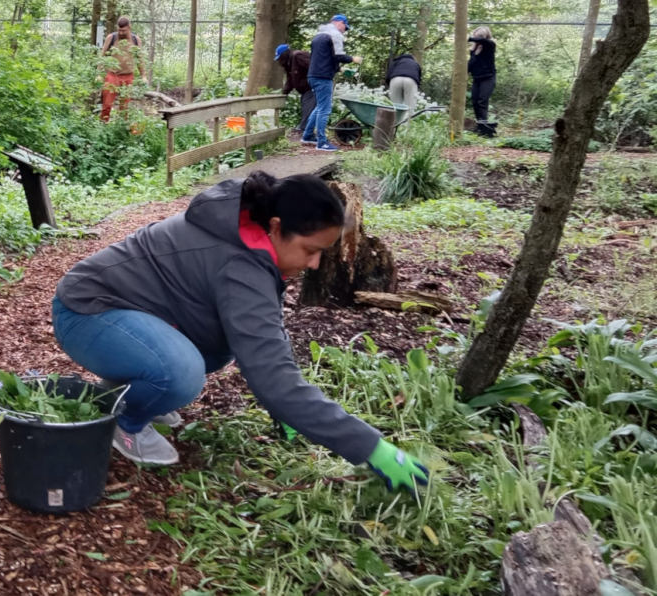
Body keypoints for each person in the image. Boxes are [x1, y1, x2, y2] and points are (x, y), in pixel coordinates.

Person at [51, 171, 431, 497]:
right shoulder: (242, 265)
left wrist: (287, 405)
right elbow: (271, 372)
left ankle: (135, 385)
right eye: (310, 251)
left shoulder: (249, 233)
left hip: (132, 309)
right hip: (86, 311)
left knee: (217, 350)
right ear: (277, 226)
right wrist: (370, 447)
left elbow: (264, 342)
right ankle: (124, 420)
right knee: (180, 373)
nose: (314, 264)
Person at [303, 15, 363, 152]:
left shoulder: (319, 36)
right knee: (324, 109)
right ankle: (322, 143)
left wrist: (339, 69)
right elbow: (339, 55)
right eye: (344, 27)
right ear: (339, 23)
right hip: (323, 77)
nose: (344, 31)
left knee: (319, 107)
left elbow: (324, 58)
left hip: (313, 75)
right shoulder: (334, 35)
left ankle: (307, 136)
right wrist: (353, 59)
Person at [100, 17, 144, 122]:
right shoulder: (111, 38)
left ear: (129, 27)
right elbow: (102, 56)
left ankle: (121, 129)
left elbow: (140, 58)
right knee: (107, 104)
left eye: (123, 30)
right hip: (112, 75)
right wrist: (99, 73)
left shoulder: (135, 40)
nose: (121, 32)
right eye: (119, 30)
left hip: (128, 76)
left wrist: (143, 75)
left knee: (124, 106)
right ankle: (102, 126)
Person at [275, 44, 315, 136]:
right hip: (304, 90)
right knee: (305, 107)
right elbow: (290, 80)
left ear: (284, 54)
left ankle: (305, 131)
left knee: (308, 108)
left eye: (279, 58)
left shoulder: (297, 56)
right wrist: (284, 93)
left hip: (312, 87)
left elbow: (313, 67)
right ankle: (304, 130)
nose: (279, 61)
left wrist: (314, 82)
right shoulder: (288, 63)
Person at [468, 27, 497, 136]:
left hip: (488, 78)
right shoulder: (474, 50)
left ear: (485, 36)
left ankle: (484, 127)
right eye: (476, 36)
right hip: (477, 78)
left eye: (480, 36)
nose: (477, 38)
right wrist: (474, 54)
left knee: (482, 100)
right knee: (475, 101)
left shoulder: (490, 45)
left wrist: (469, 38)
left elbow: (485, 41)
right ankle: (480, 126)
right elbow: (471, 65)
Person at [385, 53, 422, 129]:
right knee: (409, 106)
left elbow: (388, 75)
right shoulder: (415, 63)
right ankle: (406, 129)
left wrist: (389, 85)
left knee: (395, 106)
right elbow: (419, 77)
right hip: (411, 80)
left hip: (395, 79)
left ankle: (392, 128)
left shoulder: (396, 62)